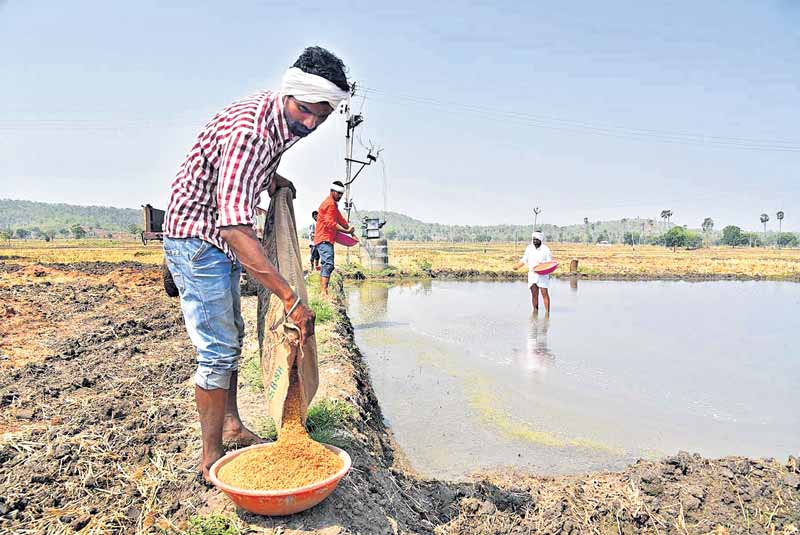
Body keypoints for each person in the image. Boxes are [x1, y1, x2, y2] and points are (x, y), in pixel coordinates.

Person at [162, 46, 350, 482]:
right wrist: (289, 296)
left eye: (320, 117)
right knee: (216, 350)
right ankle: (210, 460)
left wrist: (274, 180)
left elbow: (251, 171)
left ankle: (230, 425)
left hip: (218, 235)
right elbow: (233, 227)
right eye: (304, 111)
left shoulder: (282, 122)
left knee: (233, 333)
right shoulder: (253, 131)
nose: (309, 123)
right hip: (199, 238)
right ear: (290, 93)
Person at [314, 180, 358, 298]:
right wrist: (347, 231)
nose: (340, 196)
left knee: (328, 264)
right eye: (338, 193)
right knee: (328, 264)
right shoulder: (329, 204)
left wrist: (350, 230)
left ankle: (324, 291)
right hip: (324, 238)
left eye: (341, 194)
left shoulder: (333, 205)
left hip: (327, 238)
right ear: (332, 191)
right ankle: (324, 292)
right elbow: (331, 224)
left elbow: (340, 219)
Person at [512, 231, 552, 314]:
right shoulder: (529, 248)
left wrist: (543, 265)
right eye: (533, 239)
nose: (534, 241)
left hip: (543, 275)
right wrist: (517, 266)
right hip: (532, 275)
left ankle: (547, 313)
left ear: (540, 239)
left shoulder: (546, 250)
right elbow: (524, 260)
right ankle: (535, 311)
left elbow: (550, 263)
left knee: (544, 293)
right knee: (534, 294)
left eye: (536, 239)